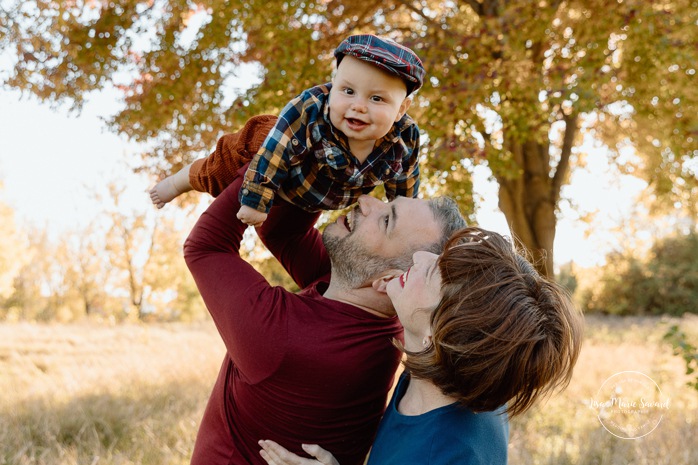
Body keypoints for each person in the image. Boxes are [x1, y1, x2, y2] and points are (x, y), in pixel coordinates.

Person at [183, 171, 466, 465]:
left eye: (386, 220)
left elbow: (205, 246)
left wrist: (265, 163)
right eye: (386, 202)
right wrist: (326, 169)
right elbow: (282, 232)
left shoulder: (287, 339)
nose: (366, 200)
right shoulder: (377, 308)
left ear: (391, 279)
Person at [258, 227, 585, 465]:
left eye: (431, 272)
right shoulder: (444, 368)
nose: (419, 256)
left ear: (438, 333)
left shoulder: (446, 455)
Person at [150, 33, 425, 227]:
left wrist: (406, 224)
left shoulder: (405, 139)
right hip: (269, 147)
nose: (359, 106)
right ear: (333, 85)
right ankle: (177, 182)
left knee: (287, 231)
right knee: (216, 172)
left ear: (402, 109)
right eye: (348, 91)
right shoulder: (310, 109)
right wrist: (256, 198)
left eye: (377, 98)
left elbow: (404, 188)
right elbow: (275, 152)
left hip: (311, 192)